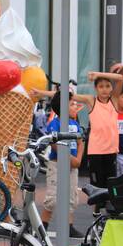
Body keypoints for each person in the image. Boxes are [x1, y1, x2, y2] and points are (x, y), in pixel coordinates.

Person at [68, 71, 123, 188]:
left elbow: (120, 78)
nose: (104, 89)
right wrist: (42, 93)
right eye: (101, 86)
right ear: (96, 88)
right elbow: (68, 95)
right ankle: (98, 206)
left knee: (111, 184)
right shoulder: (91, 100)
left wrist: (98, 75)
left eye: (107, 86)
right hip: (96, 151)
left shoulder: (114, 100)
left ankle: (110, 206)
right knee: (97, 185)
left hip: (111, 151)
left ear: (112, 88)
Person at [41, 97, 84, 236]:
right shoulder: (55, 123)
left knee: (72, 197)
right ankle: (43, 227)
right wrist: (70, 158)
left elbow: (80, 142)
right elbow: (54, 143)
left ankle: (69, 226)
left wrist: (78, 159)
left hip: (72, 167)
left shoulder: (75, 124)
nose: (75, 107)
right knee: (52, 198)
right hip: (57, 165)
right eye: (72, 104)